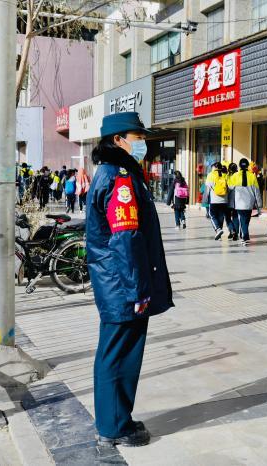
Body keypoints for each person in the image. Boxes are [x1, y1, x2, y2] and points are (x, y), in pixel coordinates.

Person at [86, 111, 172, 447]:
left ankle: (118, 418)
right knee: (118, 355)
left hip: (119, 283)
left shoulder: (115, 173)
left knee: (121, 354)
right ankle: (112, 427)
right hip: (123, 285)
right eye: (138, 137)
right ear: (119, 140)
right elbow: (126, 239)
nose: (144, 143)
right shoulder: (119, 178)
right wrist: (138, 289)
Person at [228, 158, 262, 245]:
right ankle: (245, 236)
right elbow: (257, 191)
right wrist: (259, 204)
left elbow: (230, 189)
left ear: (239, 166)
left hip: (239, 203)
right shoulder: (252, 176)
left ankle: (245, 236)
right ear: (248, 166)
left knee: (243, 220)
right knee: (246, 220)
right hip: (249, 203)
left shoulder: (234, 176)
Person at [205, 162, 230, 240]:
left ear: (214, 168)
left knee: (212, 215)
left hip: (214, 200)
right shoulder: (225, 175)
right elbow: (229, 188)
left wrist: (205, 199)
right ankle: (219, 233)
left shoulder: (210, 175)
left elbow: (207, 189)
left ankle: (218, 229)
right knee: (221, 217)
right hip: (224, 201)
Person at [226, 163, 240, 240]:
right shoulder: (239, 175)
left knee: (227, 216)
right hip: (238, 199)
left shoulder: (228, 176)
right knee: (235, 216)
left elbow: (228, 187)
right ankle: (236, 233)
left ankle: (232, 230)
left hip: (229, 200)